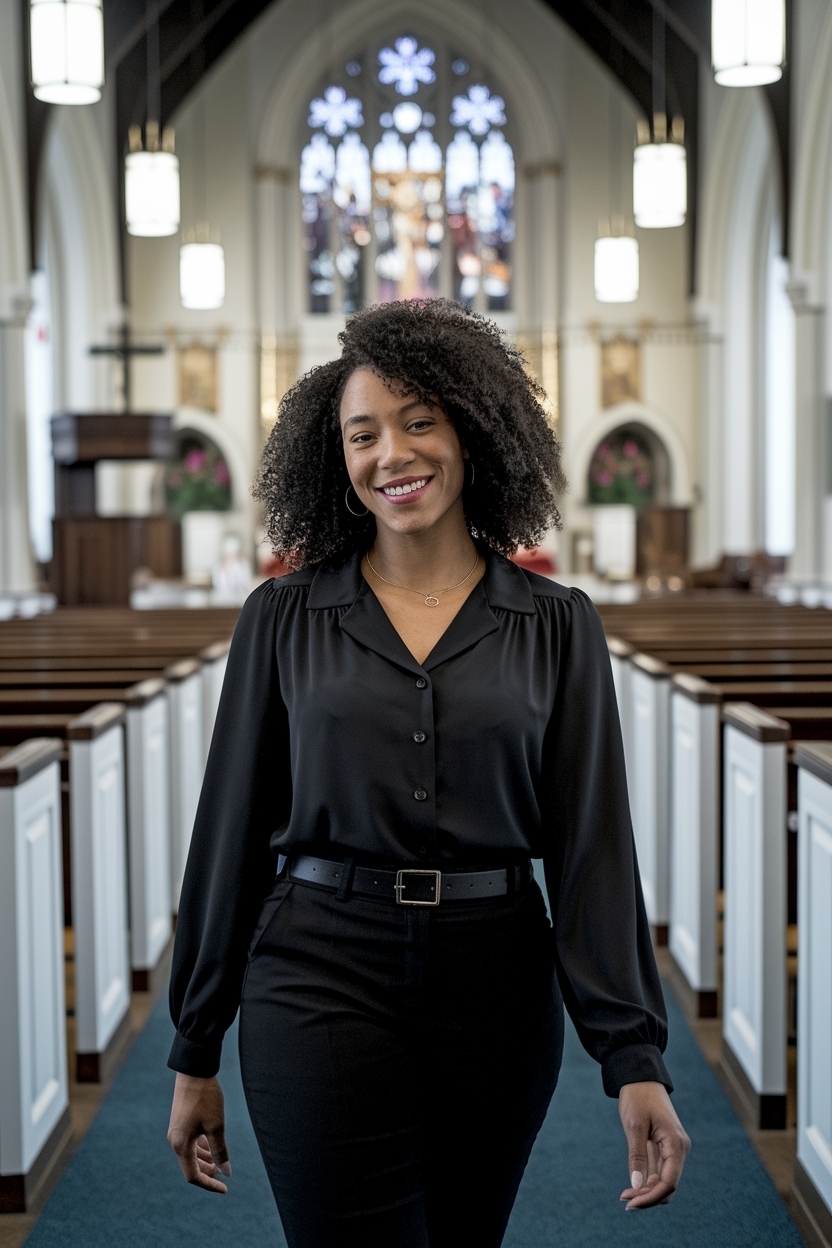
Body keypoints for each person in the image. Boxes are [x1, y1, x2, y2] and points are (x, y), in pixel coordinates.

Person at [166, 299, 690, 1247]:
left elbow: (592, 850)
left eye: (419, 422)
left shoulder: (557, 624)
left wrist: (634, 1056)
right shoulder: (281, 619)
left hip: (496, 981)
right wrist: (194, 1043)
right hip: (318, 970)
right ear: (338, 458)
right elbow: (231, 831)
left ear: (475, 429)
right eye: (362, 434)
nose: (391, 455)